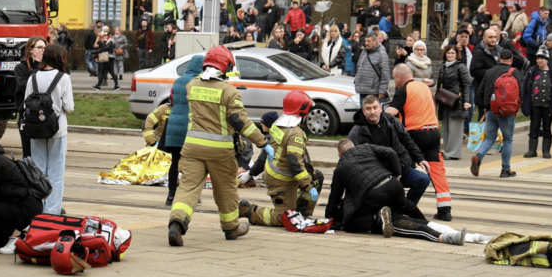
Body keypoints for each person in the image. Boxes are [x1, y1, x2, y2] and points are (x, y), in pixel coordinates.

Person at [168, 46, 272, 246]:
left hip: (191, 148)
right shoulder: (229, 92)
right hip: (220, 151)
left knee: (188, 187)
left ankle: (177, 222)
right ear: (225, 67)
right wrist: (263, 143)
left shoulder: (191, 85)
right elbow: (241, 122)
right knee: (225, 190)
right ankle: (231, 228)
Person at [325, 140, 468, 246]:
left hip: (373, 195)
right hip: (393, 184)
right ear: (354, 146)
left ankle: (379, 218)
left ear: (339, 154)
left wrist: (328, 219)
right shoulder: (365, 147)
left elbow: (334, 197)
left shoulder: (339, 169)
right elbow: (390, 152)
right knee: (407, 207)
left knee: (353, 224)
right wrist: (397, 175)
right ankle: (429, 223)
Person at [239, 91, 323, 227]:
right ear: (302, 112)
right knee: (285, 218)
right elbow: (294, 163)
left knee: (316, 176)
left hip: (278, 175)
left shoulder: (279, 125)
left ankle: (302, 214)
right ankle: (249, 210)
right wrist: (308, 187)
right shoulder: (295, 133)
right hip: (281, 180)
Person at [387, 64, 452, 221]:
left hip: (414, 134)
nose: (394, 82)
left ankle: (400, 205)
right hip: (434, 132)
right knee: (436, 170)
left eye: (394, 78)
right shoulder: (425, 88)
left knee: (403, 167)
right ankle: (445, 209)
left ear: (399, 77)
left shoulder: (404, 90)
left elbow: (391, 113)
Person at [348, 96, 430, 206]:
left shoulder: (391, 121)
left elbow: (407, 140)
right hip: (377, 174)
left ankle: (406, 209)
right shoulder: (357, 131)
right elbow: (350, 156)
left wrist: (420, 158)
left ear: (381, 108)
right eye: (368, 109)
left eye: (375, 107)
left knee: (423, 179)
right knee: (388, 195)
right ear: (363, 111)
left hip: (400, 167)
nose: (372, 112)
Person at [25, 44, 74, 214]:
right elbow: (69, 106)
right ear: (59, 58)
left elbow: (26, 101)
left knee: (38, 170)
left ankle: (37, 209)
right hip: (57, 130)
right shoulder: (64, 78)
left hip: (36, 129)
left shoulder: (33, 77)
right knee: (56, 172)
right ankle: (52, 212)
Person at [470, 50, 523, 178]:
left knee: (490, 137)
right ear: (511, 60)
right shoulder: (515, 72)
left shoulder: (489, 71)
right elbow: (521, 92)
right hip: (507, 112)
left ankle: (478, 156)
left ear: (499, 59)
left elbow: (481, 91)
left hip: (491, 110)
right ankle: (505, 170)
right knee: (508, 140)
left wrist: (485, 107)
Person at [163, 56, 205, 206]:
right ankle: (192, 195)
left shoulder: (178, 81)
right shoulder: (200, 83)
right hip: (190, 126)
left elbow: (172, 101)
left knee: (175, 161)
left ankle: (170, 196)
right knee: (193, 164)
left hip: (174, 124)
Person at [521, 46, 552, 159]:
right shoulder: (531, 71)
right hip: (534, 104)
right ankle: (532, 150)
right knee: (534, 126)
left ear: (547, 59)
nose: (539, 60)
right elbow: (525, 88)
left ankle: (546, 150)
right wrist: (524, 99)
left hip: (549, 104)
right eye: (537, 58)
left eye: (542, 58)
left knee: (547, 127)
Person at [438, 45, 472, 160]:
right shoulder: (443, 67)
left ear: (456, 54)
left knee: (455, 129)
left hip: (457, 101)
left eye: (452, 53)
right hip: (444, 101)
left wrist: (466, 101)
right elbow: (439, 85)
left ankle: (454, 153)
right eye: (448, 53)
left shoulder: (460, 67)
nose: (450, 55)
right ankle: (447, 151)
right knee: (446, 128)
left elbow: (466, 85)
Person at [14, 36, 46, 158]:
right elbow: (27, 86)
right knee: (28, 153)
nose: (42, 51)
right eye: (39, 47)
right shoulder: (21, 68)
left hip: (44, 114)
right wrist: (37, 66)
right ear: (30, 49)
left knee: (42, 153)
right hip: (27, 114)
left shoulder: (48, 68)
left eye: (44, 48)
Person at [470, 28, 502, 119]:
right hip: (483, 93)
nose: (493, 39)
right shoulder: (479, 52)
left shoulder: (499, 51)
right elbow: (474, 71)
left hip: (497, 92)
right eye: (490, 37)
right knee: (483, 120)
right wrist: (492, 72)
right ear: (484, 38)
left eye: (495, 37)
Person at [354, 33, 390, 105]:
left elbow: (385, 74)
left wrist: (382, 90)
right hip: (362, 89)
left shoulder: (381, 54)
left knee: (373, 113)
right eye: (365, 41)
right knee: (363, 113)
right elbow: (359, 67)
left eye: (369, 41)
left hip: (373, 91)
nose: (366, 43)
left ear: (375, 41)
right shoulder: (364, 52)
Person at [92, 26, 120, 91]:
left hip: (109, 59)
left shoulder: (110, 41)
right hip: (106, 59)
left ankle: (98, 86)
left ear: (108, 36)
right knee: (110, 72)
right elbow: (99, 48)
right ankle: (116, 85)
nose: (104, 37)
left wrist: (103, 43)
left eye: (105, 36)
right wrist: (93, 52)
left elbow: (105, 48)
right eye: (103, 36)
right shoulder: (105, 41)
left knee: (103, 72)